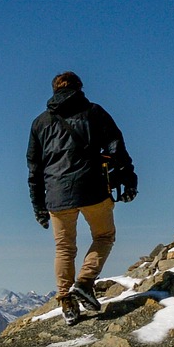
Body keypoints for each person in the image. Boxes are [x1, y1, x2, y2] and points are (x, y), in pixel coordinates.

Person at [26, 71, 137, 325]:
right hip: (93, 188)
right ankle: (85, 283)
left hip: (56, 195)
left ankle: (67, 301)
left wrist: (38, 206)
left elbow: (34, 169)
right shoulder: (94, 112)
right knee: (104, 236)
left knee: (64, 248)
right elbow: (116, 147)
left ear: (54, 91)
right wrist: (129, 179)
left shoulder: (40, 124)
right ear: (79, 88)